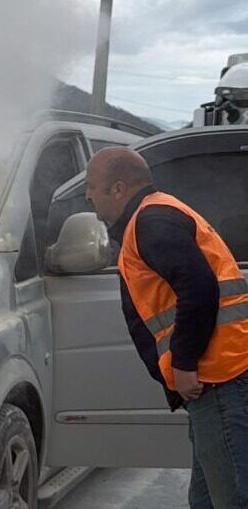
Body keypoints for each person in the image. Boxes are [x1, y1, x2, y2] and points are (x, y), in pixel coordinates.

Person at [85, 146, 248, 508]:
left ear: (118, 189)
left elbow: (199, 287)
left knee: (232, 497)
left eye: (92, 186)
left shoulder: (151, 222)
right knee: (206, 496)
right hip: (218, 375)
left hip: (216, 375)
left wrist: (185, 363)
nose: (87, 195)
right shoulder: (155, 214)